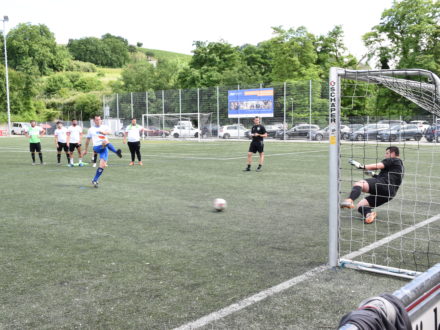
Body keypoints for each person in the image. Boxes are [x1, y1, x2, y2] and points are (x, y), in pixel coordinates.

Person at [340, 146, 404, 224]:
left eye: (387, 153)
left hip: (384, 185)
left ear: (393, 153)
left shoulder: (394, 160)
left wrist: (362, 166)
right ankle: (369, 215)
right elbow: (388, 178)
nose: (385, 155)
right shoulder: (400, 166)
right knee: (360, 205)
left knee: (360, 184)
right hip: (390, 194)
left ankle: (349, 200)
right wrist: (373, 175)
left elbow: (377, 166)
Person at [83, 115, 122, 187]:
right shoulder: (91, 129)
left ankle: (94, 180)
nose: (98, 121)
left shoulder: (105, 127)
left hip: (104, 149)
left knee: (102, 165)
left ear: (101, 120)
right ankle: (116, 152)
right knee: (105, 141)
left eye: (99, 119)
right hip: (96, 147)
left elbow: (111, 132)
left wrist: (105, 133)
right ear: (94, 121)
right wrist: (85, 150)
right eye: (96, 120)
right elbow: (87, 140)